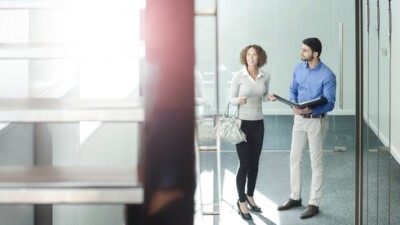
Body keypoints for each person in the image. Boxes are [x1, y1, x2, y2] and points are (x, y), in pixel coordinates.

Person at [277, 37, 336, 219]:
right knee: (294, 158)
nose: (301, 53)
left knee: (316, 162)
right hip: (299, 119)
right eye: (302, 49)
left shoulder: (327, 75)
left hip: (316, 120)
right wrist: (293, 105)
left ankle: (314, 203)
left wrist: (312, 108)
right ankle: (295, 196)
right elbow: (292, 89)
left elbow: (330, 103)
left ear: (315, 54)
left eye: (305, 50)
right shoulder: (298, 68)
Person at [229, 44, 275, 220]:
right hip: (242, 123)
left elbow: (262, 96)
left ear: (259, 57)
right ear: (244, 57)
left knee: (255, 163)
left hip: (258, 123)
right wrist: (238, 100)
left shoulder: (265, 76)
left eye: (254, 54)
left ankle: (250, 196)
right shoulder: (238, 76)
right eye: (248, 54)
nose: (251, 57)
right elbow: (231, 99)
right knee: (245, 162)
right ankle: (241, 202)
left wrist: (268, 97)